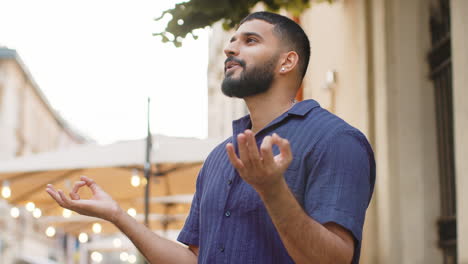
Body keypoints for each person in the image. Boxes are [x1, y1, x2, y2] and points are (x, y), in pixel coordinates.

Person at [46, 11, 375, 264]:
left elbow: (334, 259)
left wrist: (272, 190)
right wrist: (117, 215)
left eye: (250, 41)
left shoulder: (336, 140)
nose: (230, 48)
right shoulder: (221, 156)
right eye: (232, 41)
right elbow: (192, 259)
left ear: (287, 62)